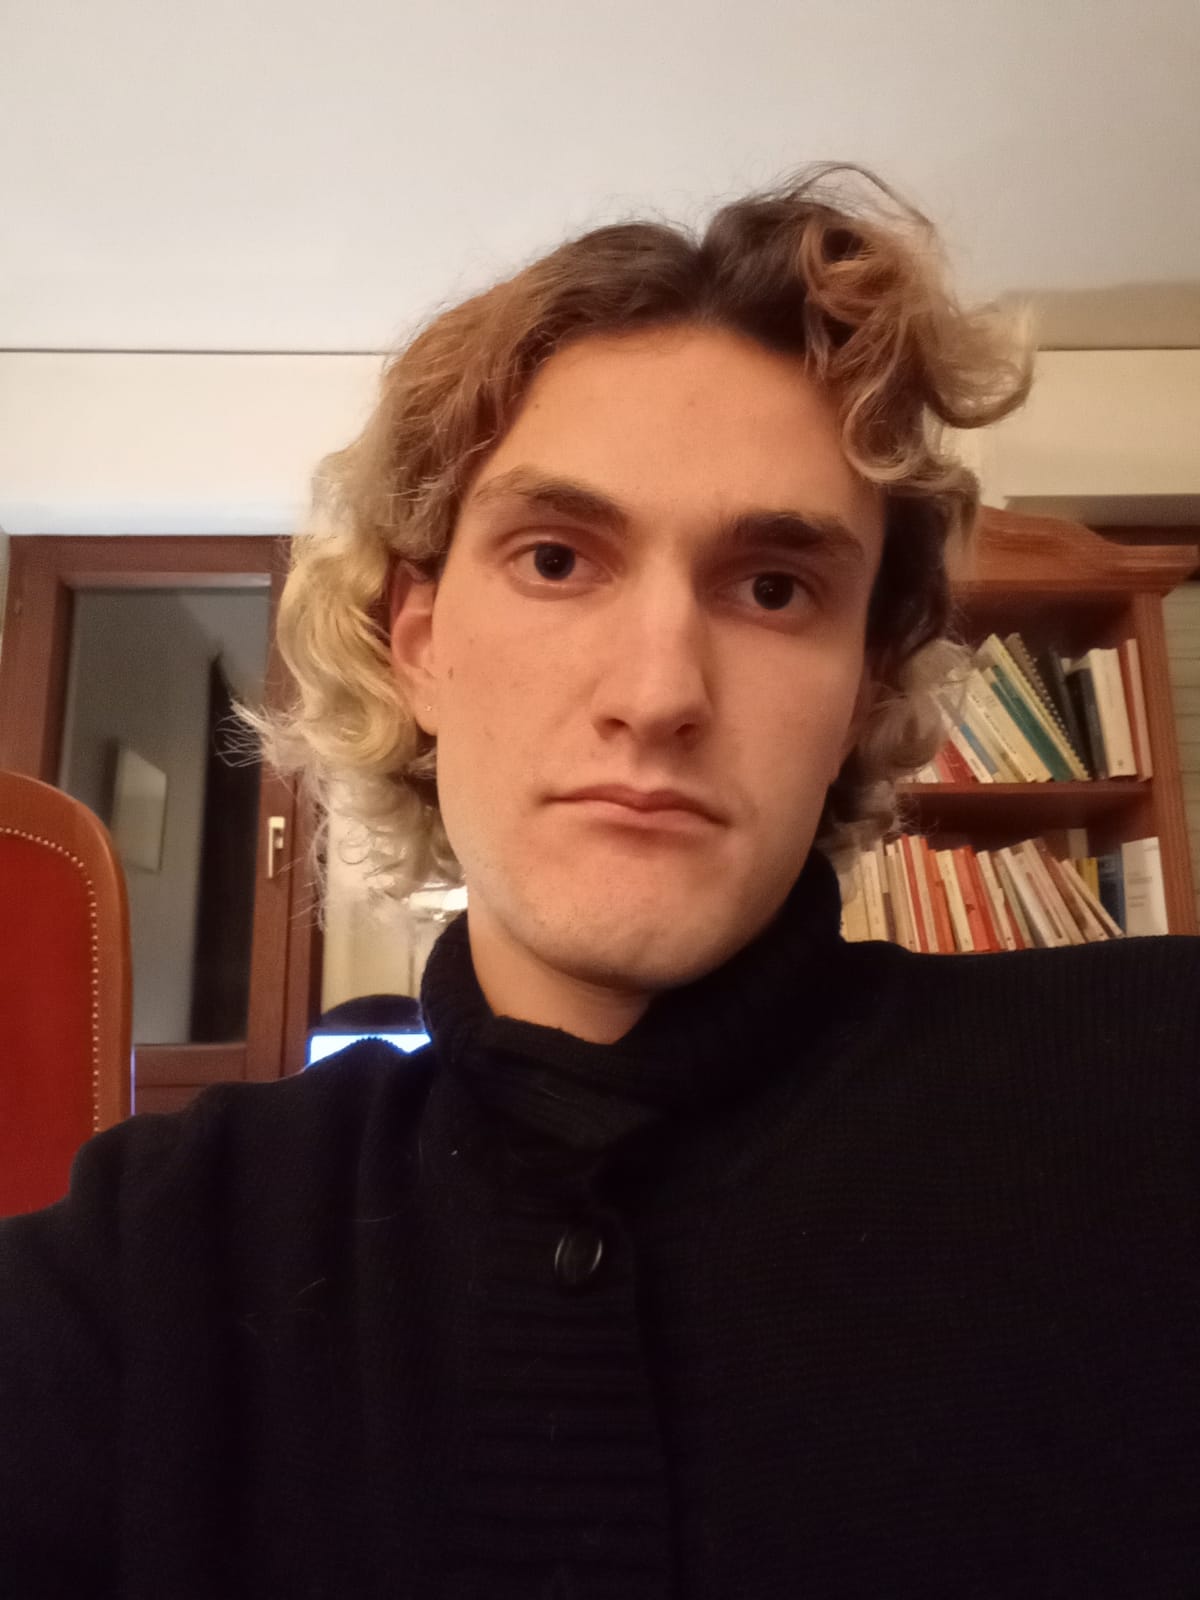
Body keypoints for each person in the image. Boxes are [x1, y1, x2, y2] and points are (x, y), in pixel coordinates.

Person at [2, 162, 1198, 1599]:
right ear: (420, 644)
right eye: (559, 559)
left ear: (865, 690)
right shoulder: (157, 1253)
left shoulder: (1156, 1087)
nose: (657, 693)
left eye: (773, 588)